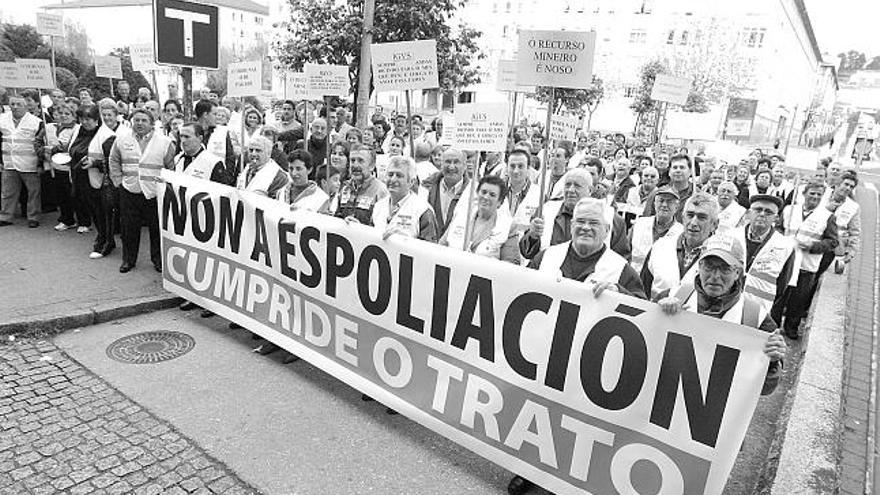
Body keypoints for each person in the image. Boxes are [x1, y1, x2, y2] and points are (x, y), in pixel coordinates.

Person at [658, 234, 786, 394]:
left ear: (738, 273)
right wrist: (657, 317)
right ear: (699, 266)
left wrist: (772, 362)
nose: (715, 276)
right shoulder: (672, 296)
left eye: (725, 269)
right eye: (709, 267)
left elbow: (765, 389)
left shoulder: (756, 317)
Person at [529, 197, 646, 297]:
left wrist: (620, 293)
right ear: (571, 226)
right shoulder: (545, 257)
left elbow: (642, 311)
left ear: (606, 230)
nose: (585, 227)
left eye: (593, 223)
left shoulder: (621, 270)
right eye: (580, 221)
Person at [108, 108, 176, 273]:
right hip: (129, 191)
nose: (139, 123)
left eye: (144, 120)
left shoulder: (164, 142)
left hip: (154, 193)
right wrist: (118, 181)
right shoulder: (122, 139)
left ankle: (158, 260)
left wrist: (165, 188)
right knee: (129, 229)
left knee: (156, 229)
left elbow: (171, 167)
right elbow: (113, 160)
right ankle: (128, 260)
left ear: (152, 124)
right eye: (136, 120)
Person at [519, 168, 631, 261]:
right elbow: (527, 253)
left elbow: (621, 261)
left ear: (590, 190)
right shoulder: (545, 210)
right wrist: (532, 236)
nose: (570, 190)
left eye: (577, 186)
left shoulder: (611, 219)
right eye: (567, 185)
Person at [779, 181, 838, 339]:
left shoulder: (827, 216)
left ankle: (791, 328)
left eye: (819, 194)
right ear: (804, 194)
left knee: (798, 300)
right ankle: (773, 323)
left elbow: (833, 242)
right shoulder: (789, 209)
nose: (815, 197)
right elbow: (779, 228)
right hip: (786, 261)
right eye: (812, 193)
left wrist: (814, 245)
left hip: (807, 265)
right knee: (780, 295)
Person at [641, 192, 719, 301]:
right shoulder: (660, 247)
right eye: (690, 215)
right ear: (683, 217)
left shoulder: (721, 258)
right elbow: (642, 292)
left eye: (702, 217)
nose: (693, 222)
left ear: (714, 224)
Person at [731, 194, 796, 322]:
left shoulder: (785, 246)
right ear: (749, 213)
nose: (762, 214)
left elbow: (782, 284)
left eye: (768, 212)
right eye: (758, 210)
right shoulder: (731, 236)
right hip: (726, 304)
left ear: (776, 218)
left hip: (758, 310)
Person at [440, 174, 517, 262]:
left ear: (500, 202)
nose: (486, 197)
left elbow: (511, 264)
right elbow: (440, 247)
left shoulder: (507, 227)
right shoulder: (461, 215)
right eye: (483, 192)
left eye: (492, 195)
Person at [0, 95, 45, 228]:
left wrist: (40, 164)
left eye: (18, 104)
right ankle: (6, 216)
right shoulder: (2, 119)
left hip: (29, 162)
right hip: (9, 162)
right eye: (12, 104)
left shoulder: (36, 122)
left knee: (33, 192)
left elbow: (41, 143)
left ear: (26, 106)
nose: (15, 107)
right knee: (8, 192)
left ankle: (33, 217)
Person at [371, 156, 437, 241]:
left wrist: (403, 241)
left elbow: (430, 249)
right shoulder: (378, 206)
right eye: (390, 175)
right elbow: (370, 237)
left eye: (399, 176)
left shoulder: (423, 210)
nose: (393, 179)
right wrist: (357, 228)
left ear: (411, 182)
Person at [629, 186, 684, 273]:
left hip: (661, 283)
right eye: (661, 201)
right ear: (654, 204)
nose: (664, 205)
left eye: (669, 202)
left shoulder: (681, 232)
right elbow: (626, 252)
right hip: (634, 279)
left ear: (676, 207)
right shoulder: (639, 224)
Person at [329, 146, 387, 224]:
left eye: (360, 161)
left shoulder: (381, 191)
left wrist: (360, 228)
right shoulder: (344, 188)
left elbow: (382, 226)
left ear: (372, 166)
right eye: (352, 161)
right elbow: (335, 218)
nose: (355, 165)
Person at [420, 148, 469, 237]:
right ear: (441, 165)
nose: (451, 167)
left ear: (465, 166)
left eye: (456, 162)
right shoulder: (426, 188)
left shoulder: (472, 192)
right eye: (448, 162)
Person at [823, 171, 860, 275]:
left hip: (833, 246)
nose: (848, 188)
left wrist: (851, 251)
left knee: (819, 276)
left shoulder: (853, 207)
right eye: (846, 184)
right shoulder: (822, 196)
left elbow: (855, 231)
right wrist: (827, 209)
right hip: (815, 240)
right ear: (838, 184)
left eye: (851, 187)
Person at [641, 153, 693, 220]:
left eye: (682, 167)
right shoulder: (657, 194)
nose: (678, 170)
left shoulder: (696, 196)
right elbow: (646, 219)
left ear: (690, 171)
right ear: (669, 172)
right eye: (675, 167)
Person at [194, 99, 236, 179]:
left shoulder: (222, 132)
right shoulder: (189, 132)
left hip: (217, 179)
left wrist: (227, 178)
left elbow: (230, 158)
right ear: (205, 114)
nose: (217, 117)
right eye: (214, 114)